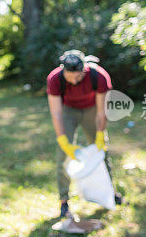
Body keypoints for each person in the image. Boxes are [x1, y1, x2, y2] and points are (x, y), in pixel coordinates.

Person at [46, 49, 120, 224]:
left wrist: (100, 135)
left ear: (84, 70)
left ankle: (109, 191)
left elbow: (102, 111)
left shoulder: (98, 76)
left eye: (77, 77)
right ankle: (64, 200)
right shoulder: (55, 79)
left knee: (102, 151)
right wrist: (64, 142)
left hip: (91, 110)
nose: (73, 81)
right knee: (62, 156)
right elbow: (56, 113)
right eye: (69, 77)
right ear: (63, 70)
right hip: (68, 111)